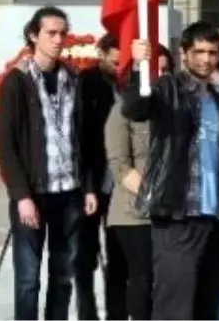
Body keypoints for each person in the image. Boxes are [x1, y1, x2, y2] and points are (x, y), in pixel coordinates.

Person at [0, 6, 99, 321]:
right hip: (34, 194)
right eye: (51, 33)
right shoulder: (17, 81)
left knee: (63, 274)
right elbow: (5, 144)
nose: (58, 39)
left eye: (62, 33)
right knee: (28, 279)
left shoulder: (71, 78)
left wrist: (89, 187)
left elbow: (85, 139)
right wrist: (22, 196)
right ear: (33, 36)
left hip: (69, 193)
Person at [122, 23, 219, 321]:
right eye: (199, 52)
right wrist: (137, 68)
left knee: (206, 306)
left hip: (213, 215)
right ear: (184, 53)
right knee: (174, 308)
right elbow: (135, 108)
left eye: (212, 53)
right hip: (177, 215)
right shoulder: (169, 88)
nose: (206, 59)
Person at [77, 33, 124, 321]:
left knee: (118, 256)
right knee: (85, 256)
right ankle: (87, 313)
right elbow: (81, 137)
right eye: (114, 61)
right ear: (102, 53)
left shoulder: (128, 84)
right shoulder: (87, 83)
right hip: (92, 183)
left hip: (119, 184)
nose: (118, 67)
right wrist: (87, 185)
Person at [105, 63, 154, 321]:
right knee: (141, 276)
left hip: (166, 211)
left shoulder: (168, 111)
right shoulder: (121, 112)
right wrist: (154, 196)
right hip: (133, 212)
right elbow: (120, 166)